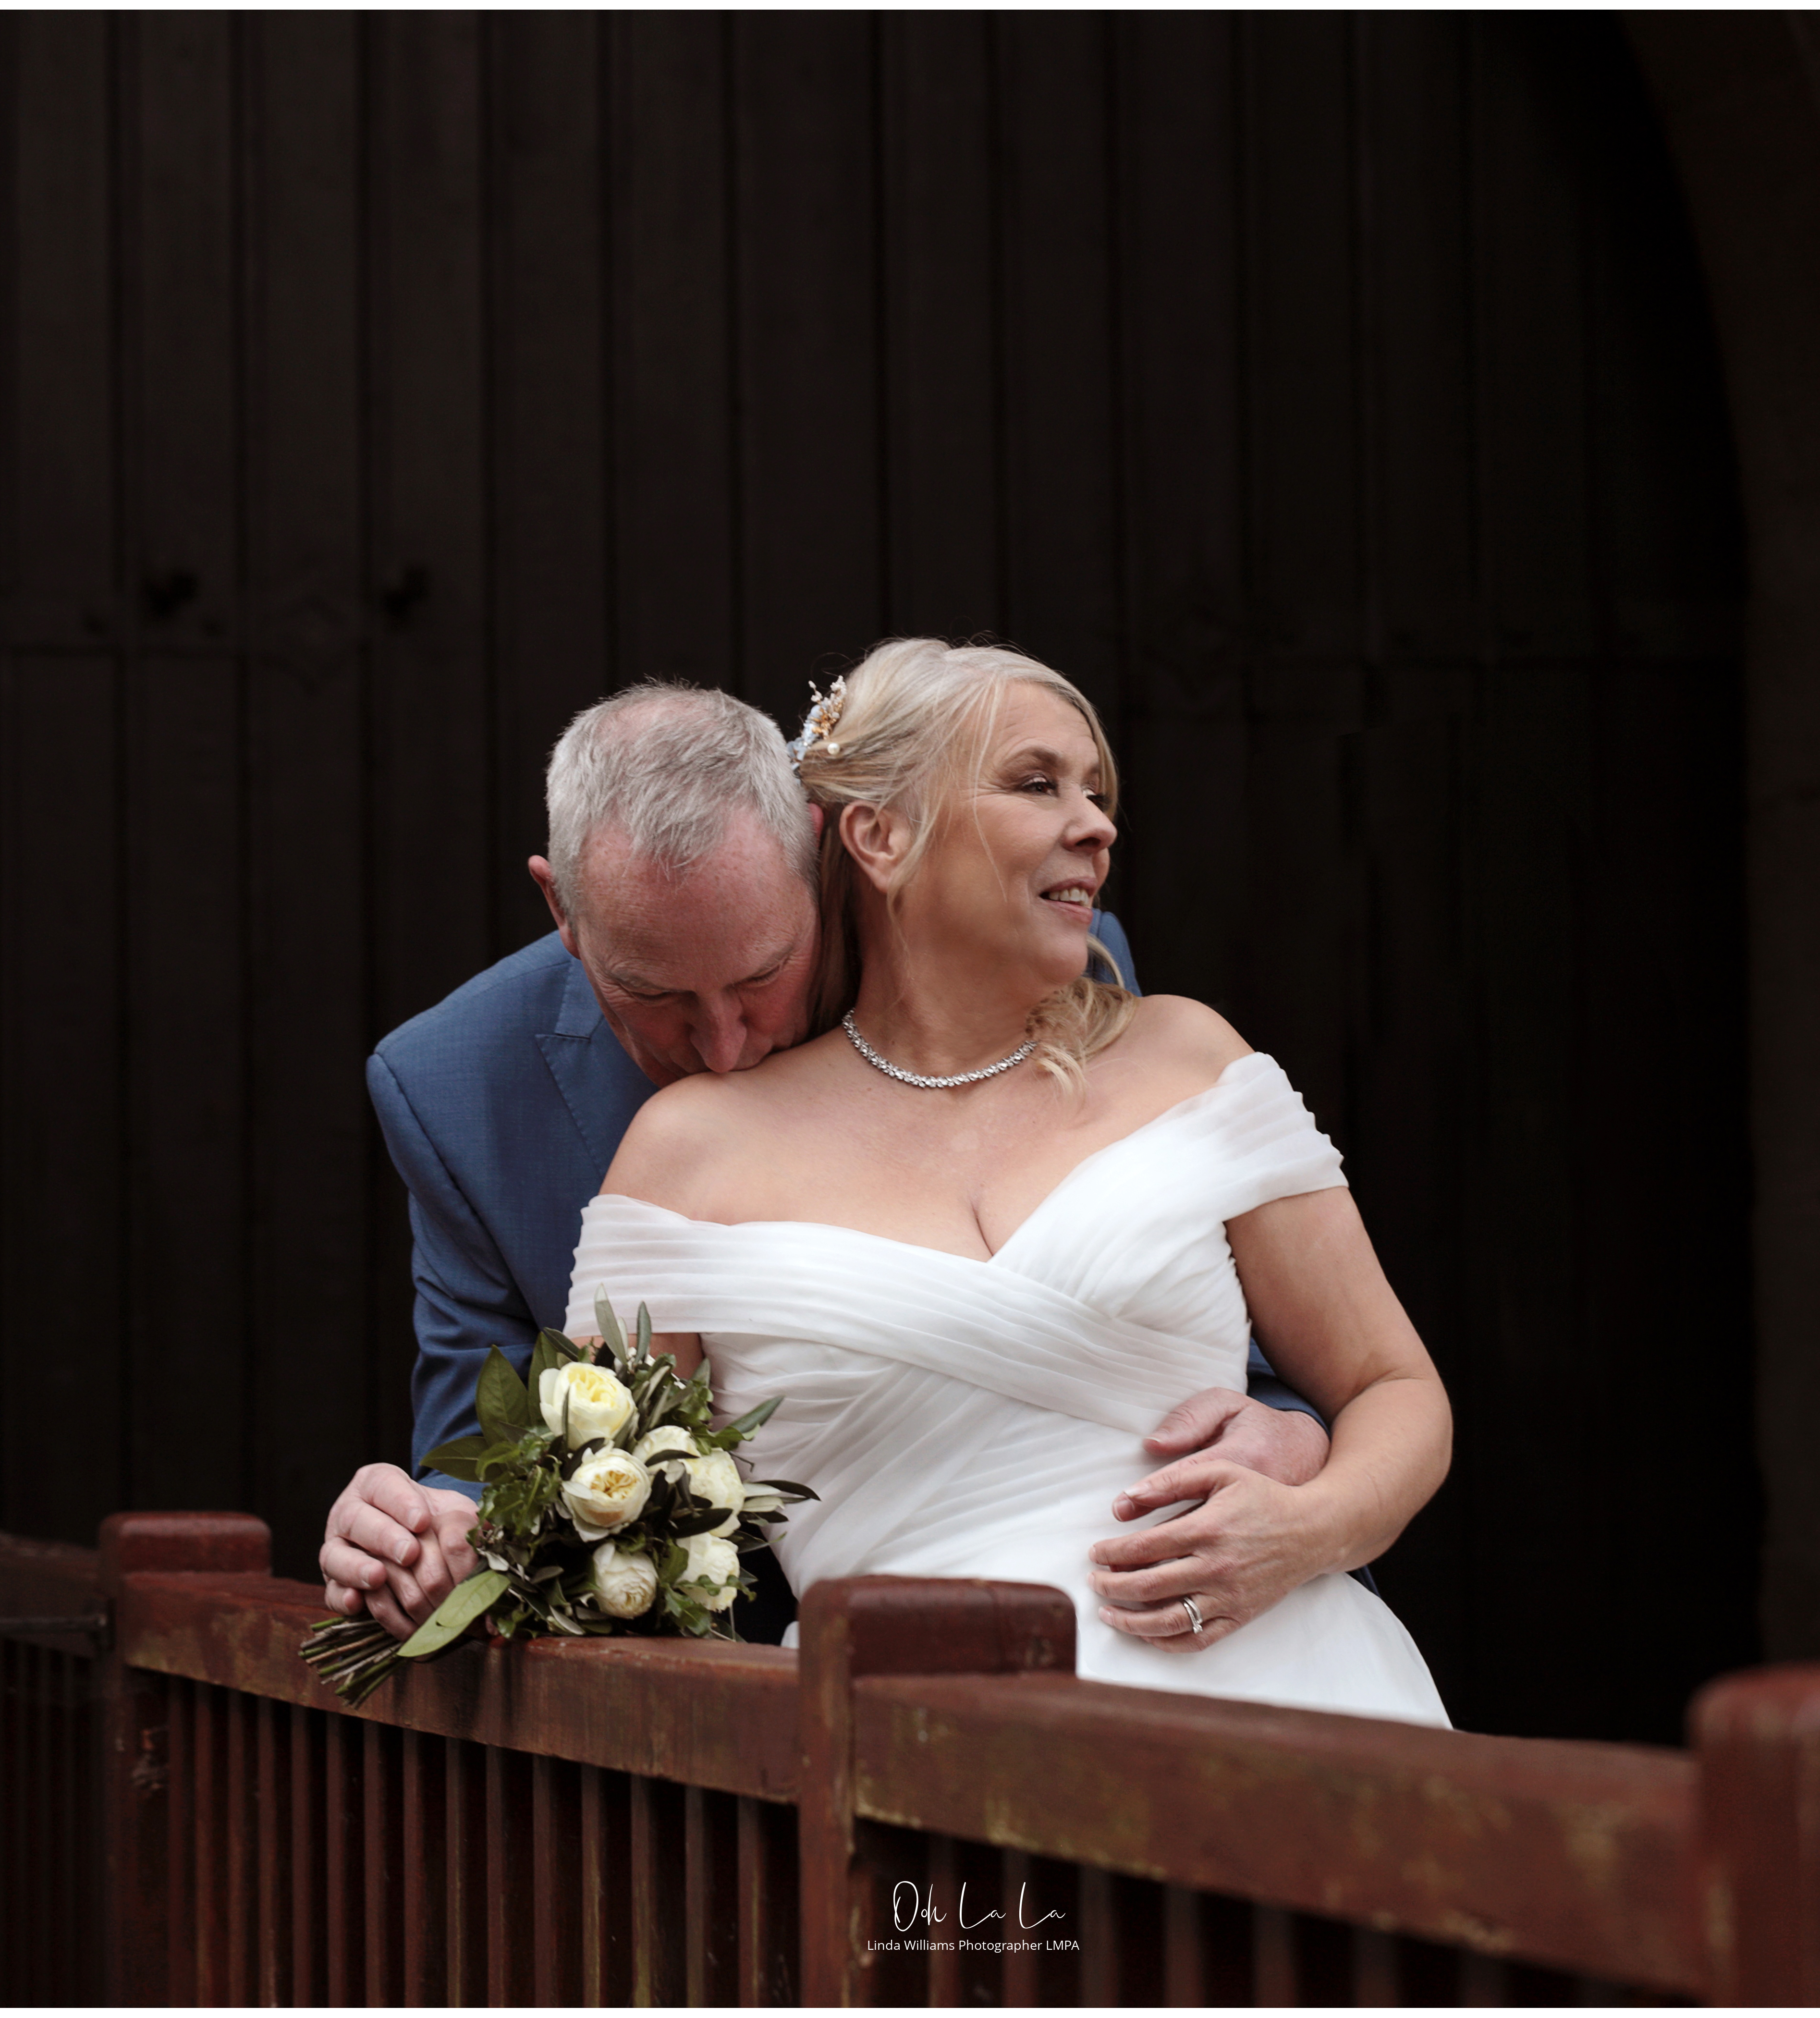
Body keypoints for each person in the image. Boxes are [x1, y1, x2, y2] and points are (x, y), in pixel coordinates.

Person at [317, 682, 1352, 1644]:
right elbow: (475, 1470)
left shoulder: (1026, 958)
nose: (724, 1046)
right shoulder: (456, 1087)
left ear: (818, 851)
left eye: (764, 975)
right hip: (736, 1712)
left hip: (1169, 1606)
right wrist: (417, 1531)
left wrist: (1298, 1437)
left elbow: (1195, 1321)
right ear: (562, 912)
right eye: (656, 996)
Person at [566, 641, 1451, 1723]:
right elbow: (586, 1527)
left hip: (1298, 1695)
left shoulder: (1190, 1058)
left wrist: (1304, 1531)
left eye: (1097, 792)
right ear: (881, 835)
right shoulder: (688, 1150)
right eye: (1038, 784)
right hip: (910, 1753)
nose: (1096, 824)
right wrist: (426, 1534)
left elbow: (1395, 1389)